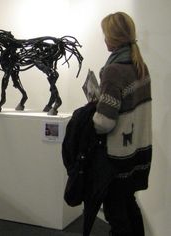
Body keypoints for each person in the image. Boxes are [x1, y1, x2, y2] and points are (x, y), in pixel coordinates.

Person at [92, 12, 152, 236]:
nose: (104, 39)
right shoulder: (140, 66)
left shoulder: (113, 70)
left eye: (105, 35)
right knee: (130, 206)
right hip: (138, 152)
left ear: (113, 38)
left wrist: (93, 110)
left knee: (116, 216)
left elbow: (105, 122)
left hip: (118, 157)